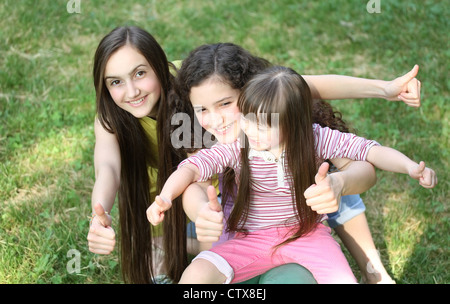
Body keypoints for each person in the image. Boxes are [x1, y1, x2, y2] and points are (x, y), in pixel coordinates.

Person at [87, 26, 422, 283]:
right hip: (209, 217)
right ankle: (182, 250)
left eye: (140, 73)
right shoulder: (181, 113)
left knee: (317, 168)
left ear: (159, 67)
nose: (131, 90)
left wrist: (384, 89)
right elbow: (122, 170)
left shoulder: (199, 80)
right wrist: (200, 214)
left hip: (277, 209)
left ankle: (373, 269)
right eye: (115, 81)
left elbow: (303, 86)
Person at [147, 66, 436, 284]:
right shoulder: (239, 146)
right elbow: (192, 167)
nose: (251, 130)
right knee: (196, 275)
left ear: (295, 123)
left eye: (264, 124)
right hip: (248, 239)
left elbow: (372, 152)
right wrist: (165, 196)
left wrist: (410, 167)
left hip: (308, 237)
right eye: (247, 119)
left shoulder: (316, 139)